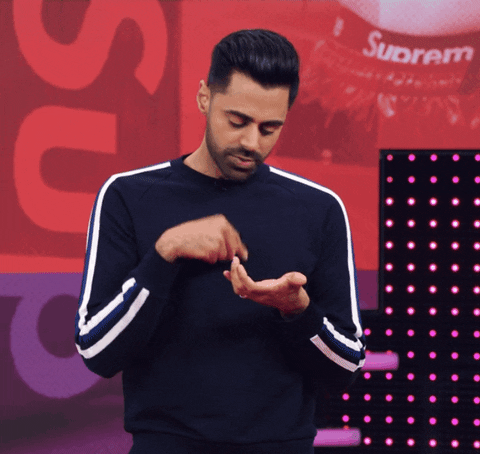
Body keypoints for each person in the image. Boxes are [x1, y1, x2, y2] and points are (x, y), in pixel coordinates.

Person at [75, 29, 365, 454]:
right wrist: (164, 254)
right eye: (237, 121)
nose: (251, 143)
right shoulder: (127, 196)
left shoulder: (318, 208)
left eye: (270, 128)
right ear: (204, 97)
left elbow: (346, 366)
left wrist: (298, 310)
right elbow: (97, 350)